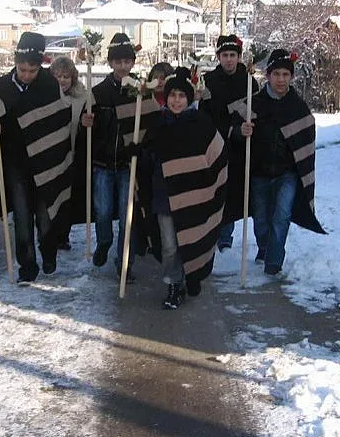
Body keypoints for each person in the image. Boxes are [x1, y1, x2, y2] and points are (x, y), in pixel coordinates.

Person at [0, 32, 73, 285]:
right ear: (16, 64)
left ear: (40, 66)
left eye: (32, 70)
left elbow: (60, 122)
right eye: (22, 69)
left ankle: (48, 251)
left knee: (45, 214)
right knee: (21, 216)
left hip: (45, 162)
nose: (27, 74)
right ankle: (27, 265)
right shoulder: (2, 88)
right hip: (16, 163)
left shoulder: (49, 86)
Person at [137, 67, 228, 308]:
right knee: (169, 245)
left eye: (181, 96)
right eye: (172, 95)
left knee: (191, 240)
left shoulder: (201, 123)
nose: (176, 100)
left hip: (193, 197)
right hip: (164, 196)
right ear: (165, 98)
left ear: (189, 98)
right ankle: (174, 284)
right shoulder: (157, 123)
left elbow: (217, 154)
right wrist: (139, 153)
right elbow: (149, 159)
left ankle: (193, 275)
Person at [237, 48, 325, 276]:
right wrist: (240, 130)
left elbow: (306, 136)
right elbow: (232, 130)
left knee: (282, 216)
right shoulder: (253, 103)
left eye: (286, 75)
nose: (281, 79)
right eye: (277, 74)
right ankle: (265, 247)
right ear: (268, 75)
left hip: (287, 173)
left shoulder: (297, 107)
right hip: (258, 172)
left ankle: (274, 263)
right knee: (261, 220)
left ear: (292, 77)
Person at [80, 32, 159, 282]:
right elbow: (85, 128)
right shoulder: (98, 92)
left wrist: (142, 150)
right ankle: (104, 241)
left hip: (128, 165)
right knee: (103, 211)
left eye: (127, 61)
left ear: (133, 63)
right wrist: (86, 123)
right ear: (111, 63)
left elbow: (152, 125)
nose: (123, 66)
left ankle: (124, 263)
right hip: (103, 164)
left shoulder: (140, 90)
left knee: (128, 217)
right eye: (118, 62)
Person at [200, 34, 259, 252]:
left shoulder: (249, 82)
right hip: (215, 145)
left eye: (232, 55)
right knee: (216, 190)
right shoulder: (209, 81)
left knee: (235, 191)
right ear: (218, 56)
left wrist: (245, 128)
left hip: (240, 149)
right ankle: (215, 231)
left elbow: (254, 113)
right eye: (224, 55)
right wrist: (229, 129)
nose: (229, 60)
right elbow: (205, 115)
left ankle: (226, 235)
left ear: (239, 56)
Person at [50, 55, 88, 251]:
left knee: (67, 198)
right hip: (49, 157)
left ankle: (63, 235)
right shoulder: (45, 97)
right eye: (57, 76)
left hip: (71, 154)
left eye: (66, 76)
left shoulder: (81, 98)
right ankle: (48, 234)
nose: (62, 80)